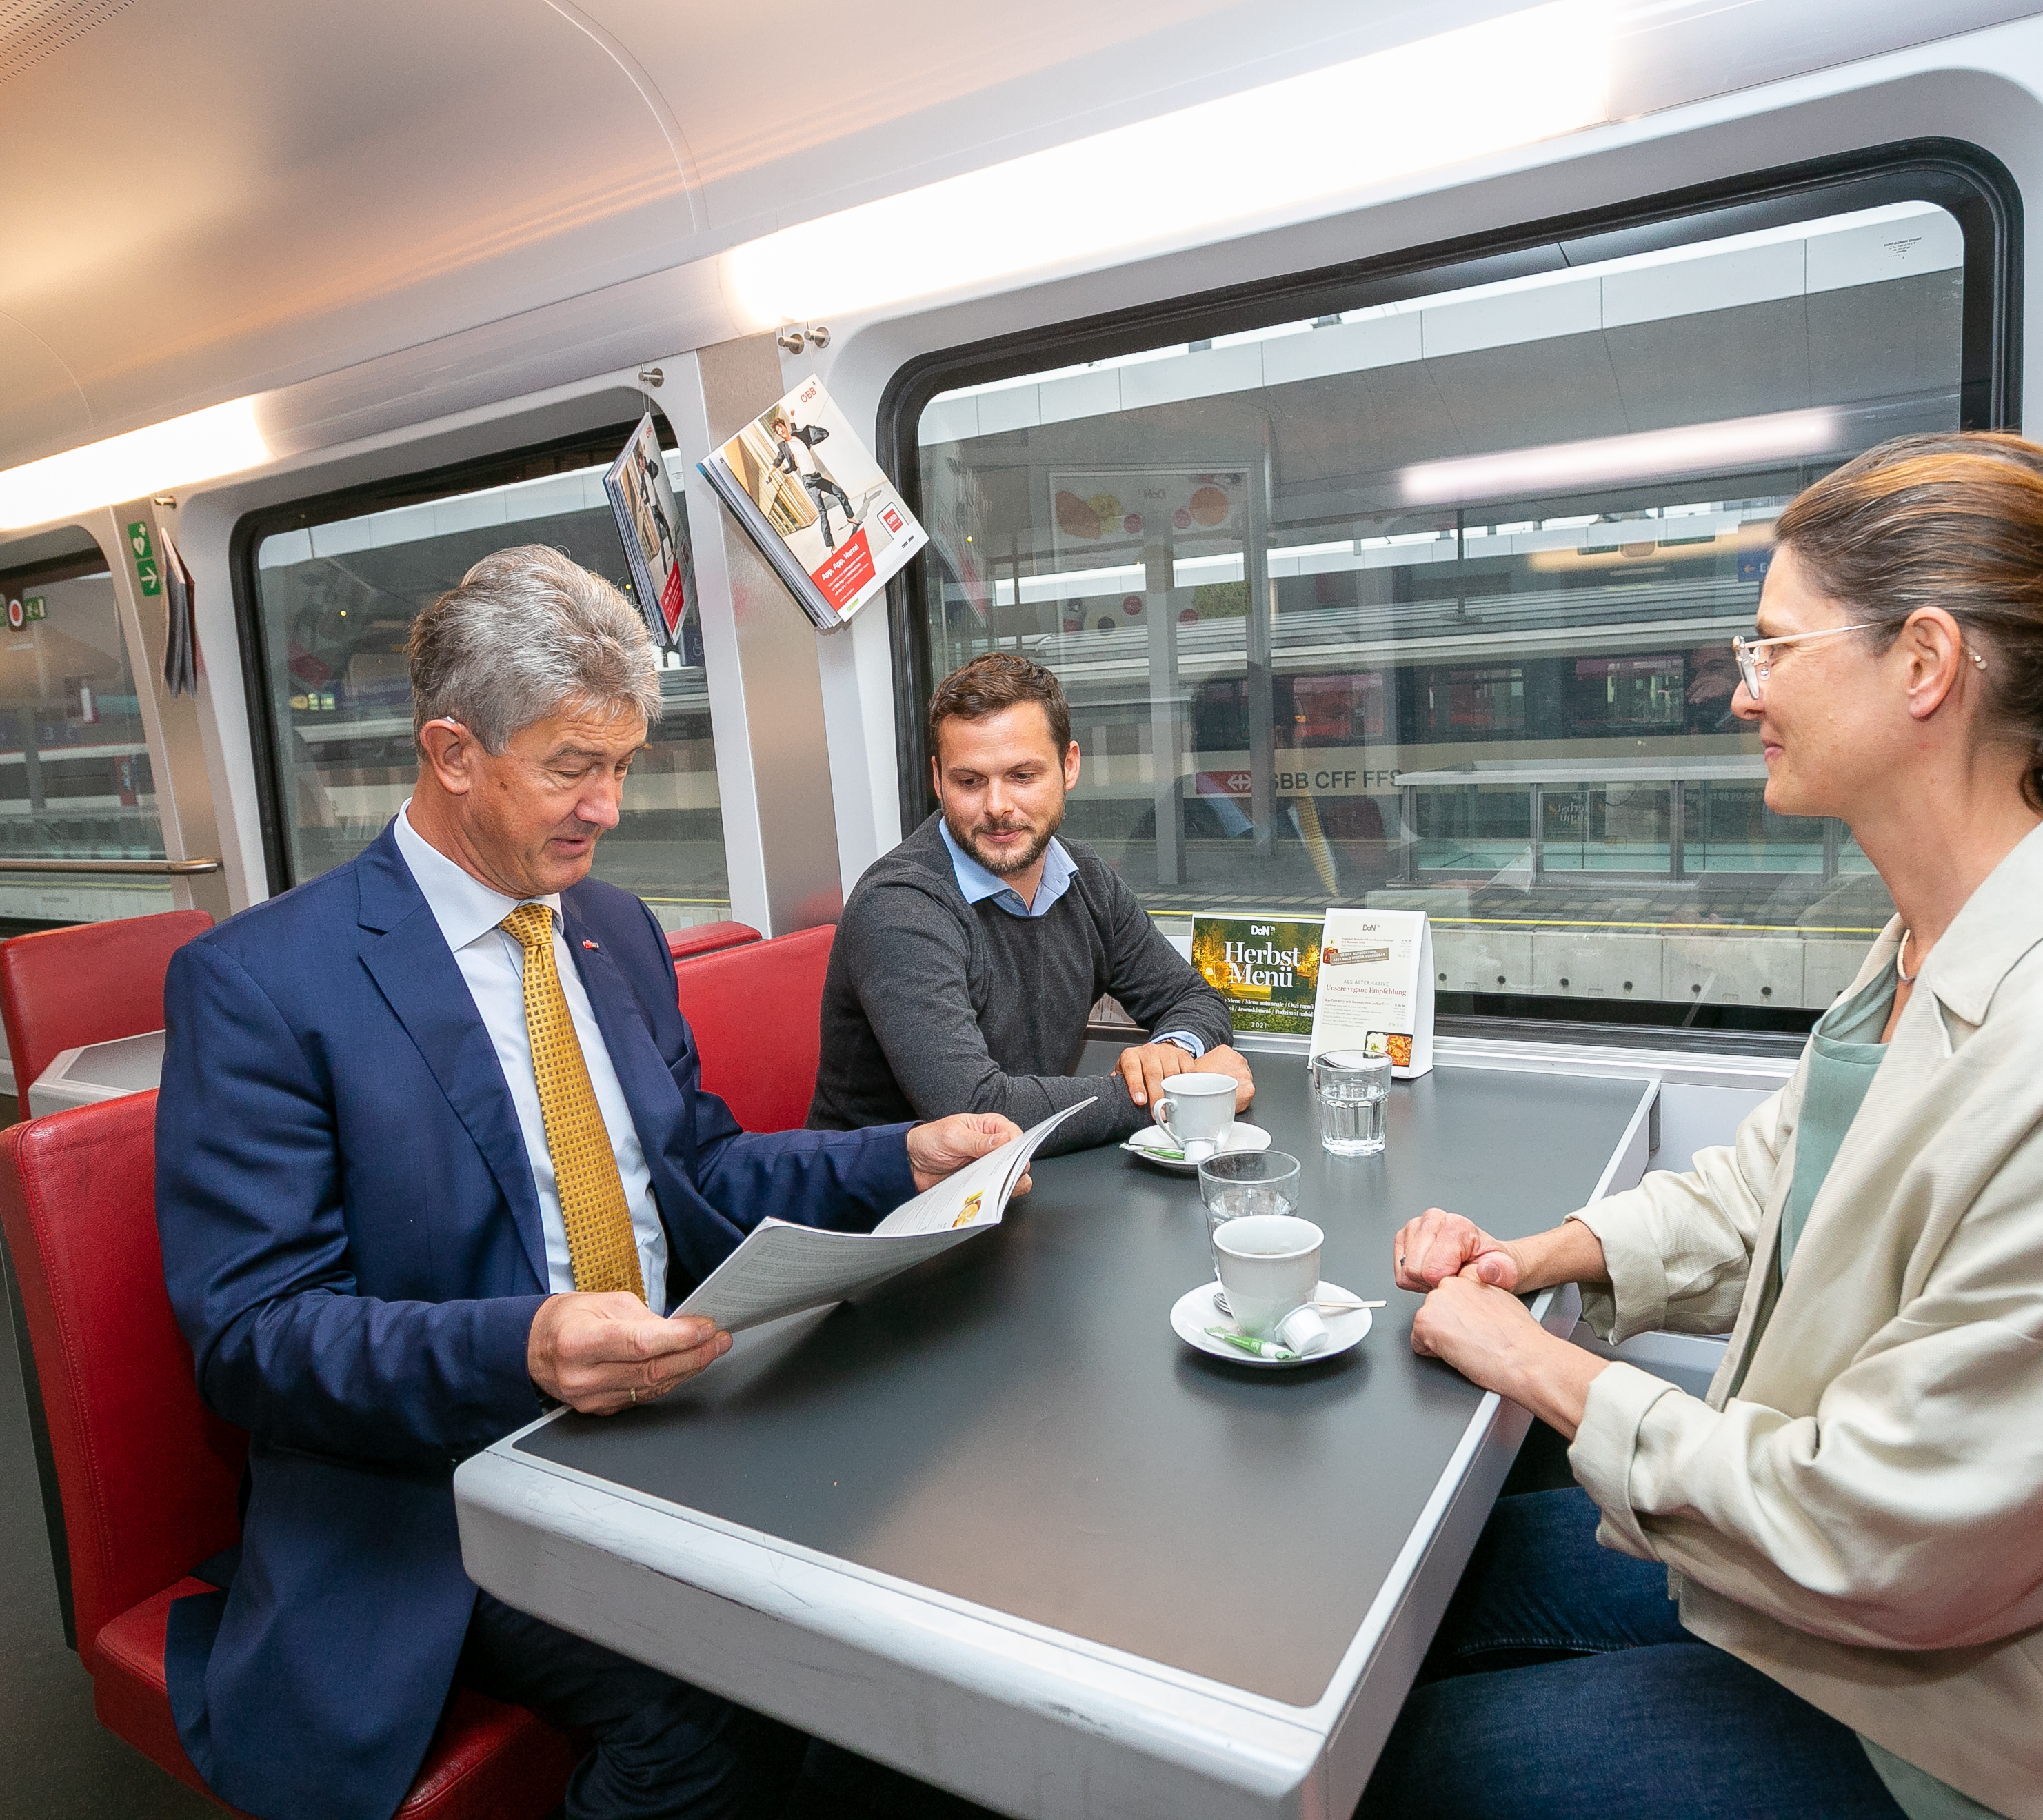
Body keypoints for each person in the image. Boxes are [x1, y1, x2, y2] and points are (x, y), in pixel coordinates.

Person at [1362, 433, 2043, 1819]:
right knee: (1456, 1599)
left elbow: (1887, 1537)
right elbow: (1779, 1191)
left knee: (1435, 1766)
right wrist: (1543, 1259)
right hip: (1935, 1621)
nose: (1745, 696)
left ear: (1923, 664)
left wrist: (1540, 1371)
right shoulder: (1935, 935)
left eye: (1774, 651)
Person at [154, 546, 1021, 1820]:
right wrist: (528, 1344)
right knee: (708, 1719)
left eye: (622, 766)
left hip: (675, 1410)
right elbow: (251, 1336)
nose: (607, 806)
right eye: (572, 766)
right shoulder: (265, 985)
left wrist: (898, 1154)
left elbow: (703, 1164)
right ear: (453, 753)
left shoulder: (612, 929)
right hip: (447, 1477)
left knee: (915, 1582)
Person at [809, 651, 1251, 1152]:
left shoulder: (1086, 881)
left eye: (1022, 775)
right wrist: (1183, 1095)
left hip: (1019, 1186)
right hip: (889, 1213)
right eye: (969, 781)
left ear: (1069, 766)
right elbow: (976, 1113)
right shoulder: (899, 907)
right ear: (937, 779)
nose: (997, 806)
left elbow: (1193, 999)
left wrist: (1171, 1051)